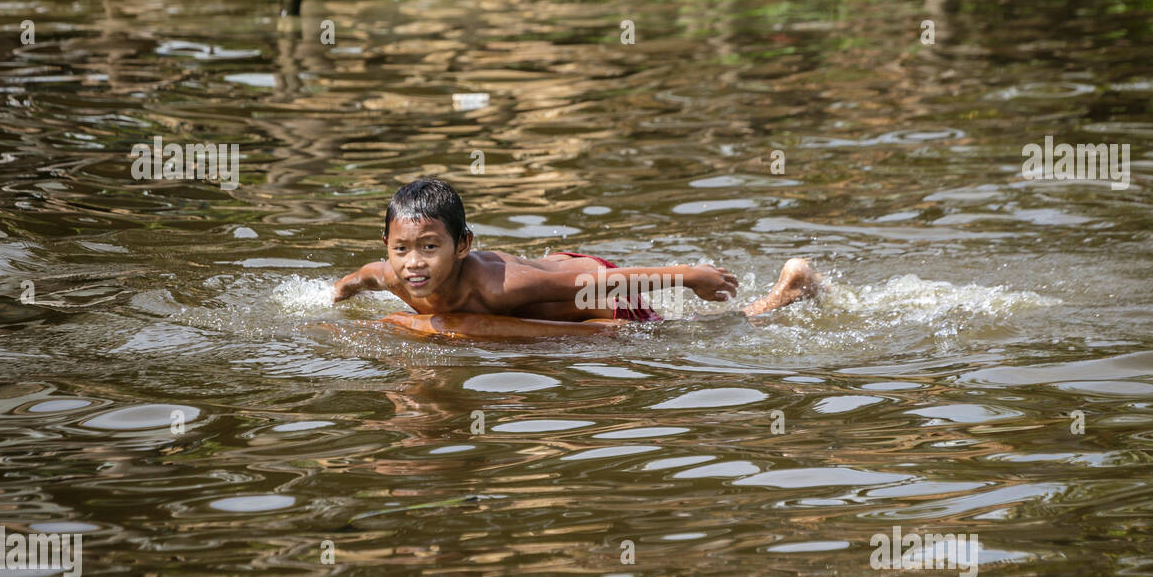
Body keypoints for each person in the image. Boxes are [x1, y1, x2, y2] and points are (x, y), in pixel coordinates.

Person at [332, 176, 824, 338]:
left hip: (596, 290)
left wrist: (688, 275)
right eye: (401, 250)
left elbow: (595, 287)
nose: (414, 263)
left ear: (463, 245)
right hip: (557, 276)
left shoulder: (498, 286)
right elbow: (356, 281)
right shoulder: (392, 275)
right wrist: (339, 293)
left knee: (686, 332)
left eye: (429, 247)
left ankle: (787, 294)